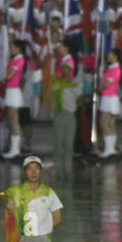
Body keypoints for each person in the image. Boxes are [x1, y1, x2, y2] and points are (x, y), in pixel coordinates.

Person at [50, 41, 78, 174]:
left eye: (68, 68)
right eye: (64, 68)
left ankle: (67, 171)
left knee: (68, 145)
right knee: (58, 144)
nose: (66, 70)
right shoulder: (56, 82)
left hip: (69, 114)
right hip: (59, 114)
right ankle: (58, 171)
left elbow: (79, 99)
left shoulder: (74, 85)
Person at [3, 40, 25, 158]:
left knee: (14, 120)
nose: (11, 49)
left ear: (18, 48)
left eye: (12, 47)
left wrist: (5, 77)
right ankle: (13, 148)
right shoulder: (13, 60)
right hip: (10, 90)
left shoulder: (20, 60)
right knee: (11, 121)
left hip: (14, 91)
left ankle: (15, 149)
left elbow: (10, 75)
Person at [98, 48, 122, 158]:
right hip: (109, 97)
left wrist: (98, 85)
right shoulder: (111, 68)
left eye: (110, 55)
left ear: (115, 57)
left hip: (109, 98)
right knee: (110, 124)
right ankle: (111, 148)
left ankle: (108, 148)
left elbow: (106, 84)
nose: (108, 57)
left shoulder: (115, 69)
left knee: (104, 123)